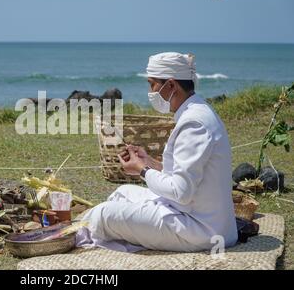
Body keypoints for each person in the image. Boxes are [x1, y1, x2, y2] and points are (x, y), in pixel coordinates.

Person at [75, 52, 238, 252]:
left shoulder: (194, 123)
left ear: (170, 85)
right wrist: (150, 162)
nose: (150, 91)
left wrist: (143, 170)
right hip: (195, 214)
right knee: (122, 193)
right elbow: (187, 174)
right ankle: (102, 231)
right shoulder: (196, 111)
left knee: (102, 214)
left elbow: (181, 192)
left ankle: (68, 237)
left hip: (200, 231)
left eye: (152, 84)